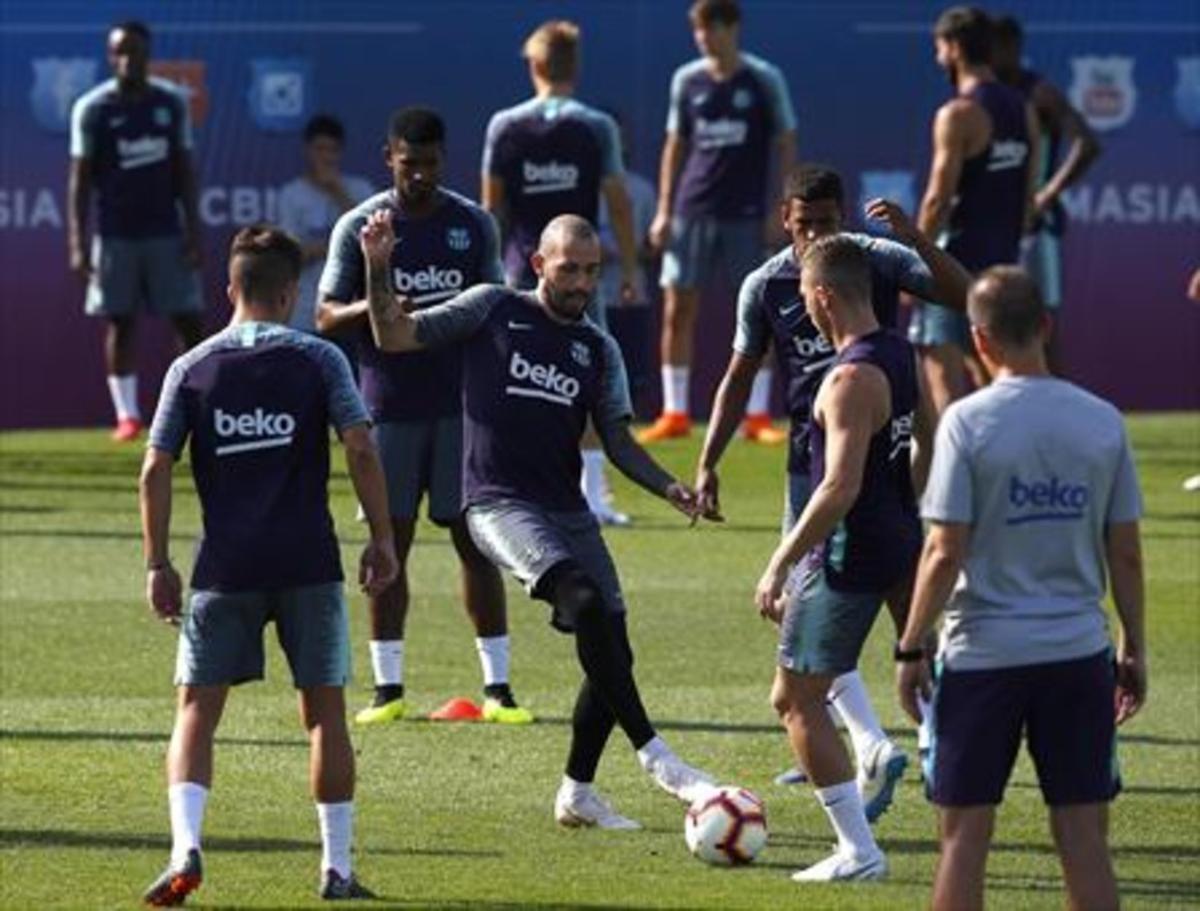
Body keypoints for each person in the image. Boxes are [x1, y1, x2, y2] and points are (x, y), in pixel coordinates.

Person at [361, 211, 717, 829]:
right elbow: (394, 336)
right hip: (496, 503)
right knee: (582, 602)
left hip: (567, 511)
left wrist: (670, 488)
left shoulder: (597, 350)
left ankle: (577, 793)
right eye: (569, 268)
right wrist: (376, 266)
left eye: (591, 271)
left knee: (613, 649)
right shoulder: (491, 308)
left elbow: (618, 441)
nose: (581, 283)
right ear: (538, 264)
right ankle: (657, 757)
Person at [696, 165, 968, 814]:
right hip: (808, 463)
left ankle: (888, 744)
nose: (815, 233)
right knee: (807, 622)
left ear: (842, 216)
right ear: (784, 220)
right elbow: (739, 374)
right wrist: (708, 459)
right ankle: (864, 740)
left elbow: (963, 295)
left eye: (826, 221)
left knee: (838, 618)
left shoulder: (871, 261)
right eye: (803, 223)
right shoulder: (764, 285)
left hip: (873, 467)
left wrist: (920, 236)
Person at [138, 225, 398, 904]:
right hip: (308, 561)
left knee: (196, 710)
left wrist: (157, 562)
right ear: (290, 292)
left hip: (223, 567)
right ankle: (336, 869)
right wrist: (382, 537)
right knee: (325, 715)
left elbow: (153, 467)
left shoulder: (190, 367)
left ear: (230, 288)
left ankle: (184, 846)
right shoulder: (318, 360)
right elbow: (362, 448)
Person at [895, 266, 1146, 911]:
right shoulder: (1102, 421)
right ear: (1045, 326)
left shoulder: (964, 423)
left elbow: (944, 549)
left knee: (963, 839)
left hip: (983, 655)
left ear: (978, 341)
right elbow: (1125, 552)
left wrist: (910, 645)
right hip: (1077, 653)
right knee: (1085, 839)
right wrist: (1133, 649)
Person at [317, 107, 529, 726]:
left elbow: (494, 302)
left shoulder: (471, 223)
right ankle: (388, 690)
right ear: (389, 158)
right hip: (386, 408)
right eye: (409, 164)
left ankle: (498, 688)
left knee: (475, 544)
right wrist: (376, 302)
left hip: (461, 406)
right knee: (390, 545)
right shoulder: (360, 225)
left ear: (443, 159)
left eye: (430, 164)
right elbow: (326, 315)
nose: (420, 176)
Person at [753, 235, 933, 882]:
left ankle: (859, 851)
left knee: (796, 698)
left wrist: (779, 560)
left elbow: (838, 487)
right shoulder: (901, 353)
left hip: (848, 555)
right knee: (925, 673)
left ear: (824, 296)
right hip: (899, 538)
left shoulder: (850, 378)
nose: (802, 306)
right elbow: (926, 441)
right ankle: (940, 776)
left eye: (805, 295)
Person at [481, 18, 640, 525]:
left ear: (534, 64)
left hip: (518, 271)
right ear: (575, 66)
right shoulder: (597, 126)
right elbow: (618, 203)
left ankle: (516, 488)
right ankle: (591, 497)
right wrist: (631, 266)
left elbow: (491, 211)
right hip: (579, 278)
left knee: (516, 380)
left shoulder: (503, 125)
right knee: (589, 378)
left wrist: (489, 275)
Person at [641, 0, 797, 443]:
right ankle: (675, 413)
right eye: (699, 31)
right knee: (677, 308)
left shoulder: (764, 79)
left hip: (747, 212)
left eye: (712, 29)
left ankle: (758, 415)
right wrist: (665, 210)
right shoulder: (686, 80)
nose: (705, 39)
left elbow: (786, 141)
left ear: (733, 29)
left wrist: (780, 206)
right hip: (692, 210)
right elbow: (675, 145)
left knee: (755, 310)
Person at [68, 19, 205, 442]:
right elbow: (80, 181)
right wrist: (77, 242)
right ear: (111, 57)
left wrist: (194, 228)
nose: (128, 59)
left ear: (149, 55)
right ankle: (127, 416)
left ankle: (188, 408)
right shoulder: (92, 108)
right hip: (115, 234)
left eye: (136, 51)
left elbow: (184, 170)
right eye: (120, 51)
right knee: (120, 323)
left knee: (187, 321)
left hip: (166, 228)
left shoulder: (170, 104)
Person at [912, 5, 1038, 414]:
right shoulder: (1025, 109)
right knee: (1000, 385)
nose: (937, 59)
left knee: (942, 389)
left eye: (938, 48)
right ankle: (1010, 475)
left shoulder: (958, 114)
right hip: (1001, 269)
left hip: (952, 265)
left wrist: (911, 260)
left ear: (952, 48)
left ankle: (953, 478)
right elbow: (1027, 197)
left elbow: (936, 199)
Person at [992, 14, 1101, 374]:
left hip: (1036, 228)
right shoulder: (985, 95)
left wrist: (1046, 195)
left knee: (1041, 322)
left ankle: (1062, 412)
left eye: (995, 47)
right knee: (992, 319)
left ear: (1011, 47)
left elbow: (1087, 143)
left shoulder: (1037, 91)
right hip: (994, 223)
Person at [592, 109, 660, 524]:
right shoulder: (582, 185)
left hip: (628, 295)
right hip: (589, 299)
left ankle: (610, 481)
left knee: (626, 390)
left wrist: (631, 255)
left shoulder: (640, 188)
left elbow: (652, 242)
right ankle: (592, 487)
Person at [277, 114, 374, 334]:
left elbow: (373, 241)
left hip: (350, 310)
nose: (326, 157)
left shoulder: (361, 190)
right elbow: (293, 255)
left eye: (333, 150)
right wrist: (341, 244)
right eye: (320, 149)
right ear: (307, 150)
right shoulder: (291, 194)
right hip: (303, 313)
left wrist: (337, 191)